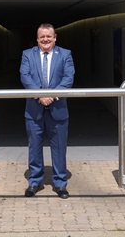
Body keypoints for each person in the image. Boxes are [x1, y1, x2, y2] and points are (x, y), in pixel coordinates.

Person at [19, 23, 75, 199]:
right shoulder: (27, 54)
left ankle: (60, 184)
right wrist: (40, 96)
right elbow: (25, 76)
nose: (45, 39)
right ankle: (34, 182)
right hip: (34, 109)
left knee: (59, 147)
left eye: (49, 36)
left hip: (58, 108)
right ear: (37, 38)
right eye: (42, 37)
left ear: (55, 37)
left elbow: (68, 77)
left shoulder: (65, 54)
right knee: (34, 147)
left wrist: (51, 95)